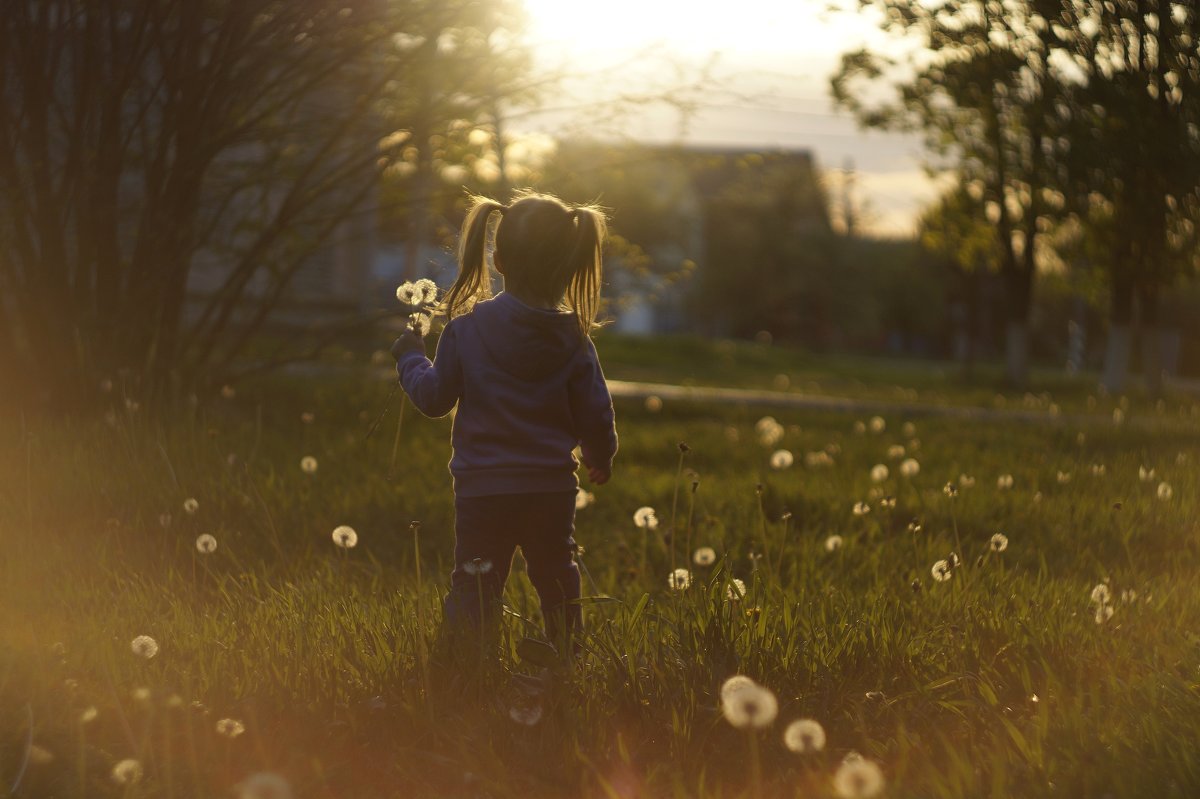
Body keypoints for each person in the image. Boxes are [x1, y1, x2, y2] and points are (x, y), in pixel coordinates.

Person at [391, 191, 617, 656]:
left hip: (483, 489)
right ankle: (565, 653)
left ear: (498, 259)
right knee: (556, 572)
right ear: (571, 265)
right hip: (550, 489)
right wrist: (599, 455)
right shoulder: (575, 341)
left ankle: (464, 663)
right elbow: (596, 412)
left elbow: (434, 399)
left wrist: (411, 358)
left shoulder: (464, 330)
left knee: (475, 581)